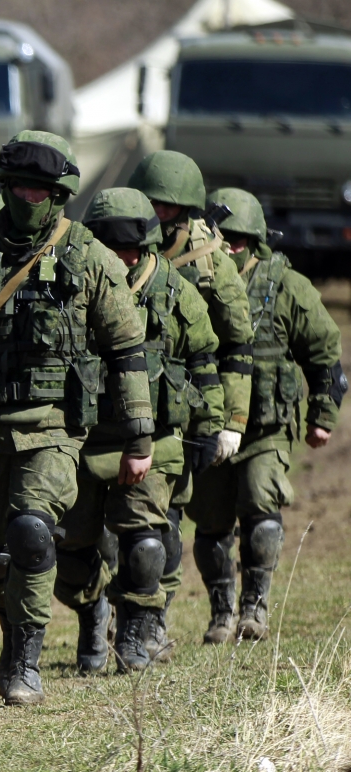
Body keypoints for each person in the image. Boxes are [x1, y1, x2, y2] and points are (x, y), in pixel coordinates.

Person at [0, 131, 154, 706]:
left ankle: (24, 659)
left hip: (55, 429)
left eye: (39, 189)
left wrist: (139, 436)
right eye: (17, 186)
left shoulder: (87, 255)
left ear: (60, 192)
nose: (26, 197)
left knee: (33, 532)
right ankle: (14, 628)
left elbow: (126, 352)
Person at [55, 187, 224, 673]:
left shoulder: (175, 291)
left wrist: (212, 426)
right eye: (107, 247)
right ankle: (91, 615)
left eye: (127, 248)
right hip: (82, 440)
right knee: (71, 547)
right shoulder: (70, 285)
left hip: (154, 443)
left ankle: (136, 630)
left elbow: (205, 358)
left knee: (146, 545)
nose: (118, 258)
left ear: (148, 244)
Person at [188, 188, 343, 642]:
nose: (229, 249)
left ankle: (254, 607)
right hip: (206, 426)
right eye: (221, 238)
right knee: (210, 523)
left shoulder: (285, 286)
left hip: (267, 430)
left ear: (256, 241)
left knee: (260, 506)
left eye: (238, 241)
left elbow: (324, 353)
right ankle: (220, 612)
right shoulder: (193, 278)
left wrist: (322, 415)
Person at [128, 150, 254, 653]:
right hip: (128, 406)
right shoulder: (117, 245)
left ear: (184, 211)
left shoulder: (211, 265)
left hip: (187, 410)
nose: (156, 215)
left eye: (166, 207)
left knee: (169, 519)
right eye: (149, 205)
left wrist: (229, 420)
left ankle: (154, 618)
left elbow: (238, 347)